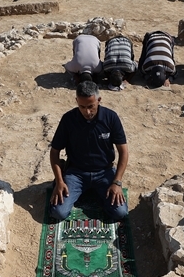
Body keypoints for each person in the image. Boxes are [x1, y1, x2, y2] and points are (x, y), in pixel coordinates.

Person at [49, 81, 129, 223]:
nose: (87, 112)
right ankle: (66, 182)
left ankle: (97, 191)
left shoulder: (111, 118)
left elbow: (123, 151)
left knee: (120, 212)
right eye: (82, 107)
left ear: (99, 100)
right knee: (58, 212)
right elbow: (54, 151)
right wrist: (60, 181)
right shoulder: (68, 119)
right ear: (76, 101)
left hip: (104, 172)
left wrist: (116, 182)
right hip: (76, 172)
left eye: (91, 106)